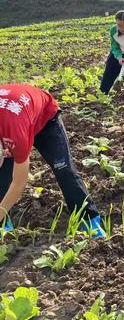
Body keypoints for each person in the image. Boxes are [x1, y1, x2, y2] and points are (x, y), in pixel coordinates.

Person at [0, 84, 104, 237]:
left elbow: (19, 183)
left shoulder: (16, 136)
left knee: (63, 169)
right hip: (15, 120)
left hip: (45, 119)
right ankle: (3, 227)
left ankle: (90, 220)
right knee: (2, 179)